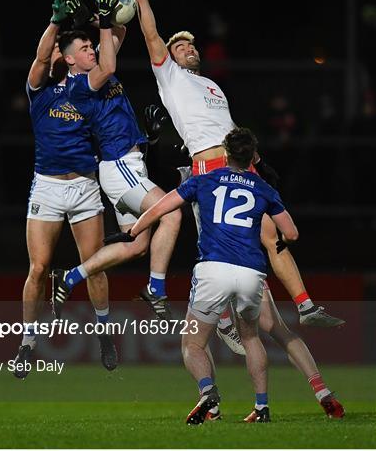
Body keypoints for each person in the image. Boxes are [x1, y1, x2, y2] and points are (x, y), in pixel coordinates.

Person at [131, 0, 344, 419]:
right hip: (209, 174)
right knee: (244, 259)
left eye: (190, 44)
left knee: (270, 242)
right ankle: (233, 319)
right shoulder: (170, 75)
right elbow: (151, 38)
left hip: (239, 169)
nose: (186, 48)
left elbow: (232, 132)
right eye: (179, 44)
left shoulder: (212, 87)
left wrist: (261, 165)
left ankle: (299, 308)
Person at [117, 127, 299, 423]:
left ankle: (208, 394)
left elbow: (162, 208)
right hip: (252, 272)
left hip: (214, 269)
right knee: (251, 337)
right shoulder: (264, 188)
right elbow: (291, 232)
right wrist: (284, 242)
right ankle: (262, 407)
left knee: (193, 343)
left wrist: (134, 232)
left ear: (225, 154)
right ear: (252, 156)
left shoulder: (204, 180)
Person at [50, 0, 182, 321]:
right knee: (172, 212)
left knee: (136, 246)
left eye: (89, 45)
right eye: (82, 48)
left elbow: (119, 34)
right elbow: (109, 62)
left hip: (128, 165)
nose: (89, 49)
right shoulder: (77, 85)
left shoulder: (93, 65)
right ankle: (156, 289)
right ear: (69, 60)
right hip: (120, 165)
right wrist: (105, 23)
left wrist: (101, 20)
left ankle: (71, 276)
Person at [13, 0, 117, 378]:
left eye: (63, 48)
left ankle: (105, 333)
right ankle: (27, 345)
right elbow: (41, 56)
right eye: (58, 48)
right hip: (48, 187)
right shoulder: (39, 89)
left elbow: (107, 57)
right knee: (38, 269)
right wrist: (55, 22)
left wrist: (105, 23)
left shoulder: (86, 85)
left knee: (93, 266)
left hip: (85, 187)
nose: (55, 52)